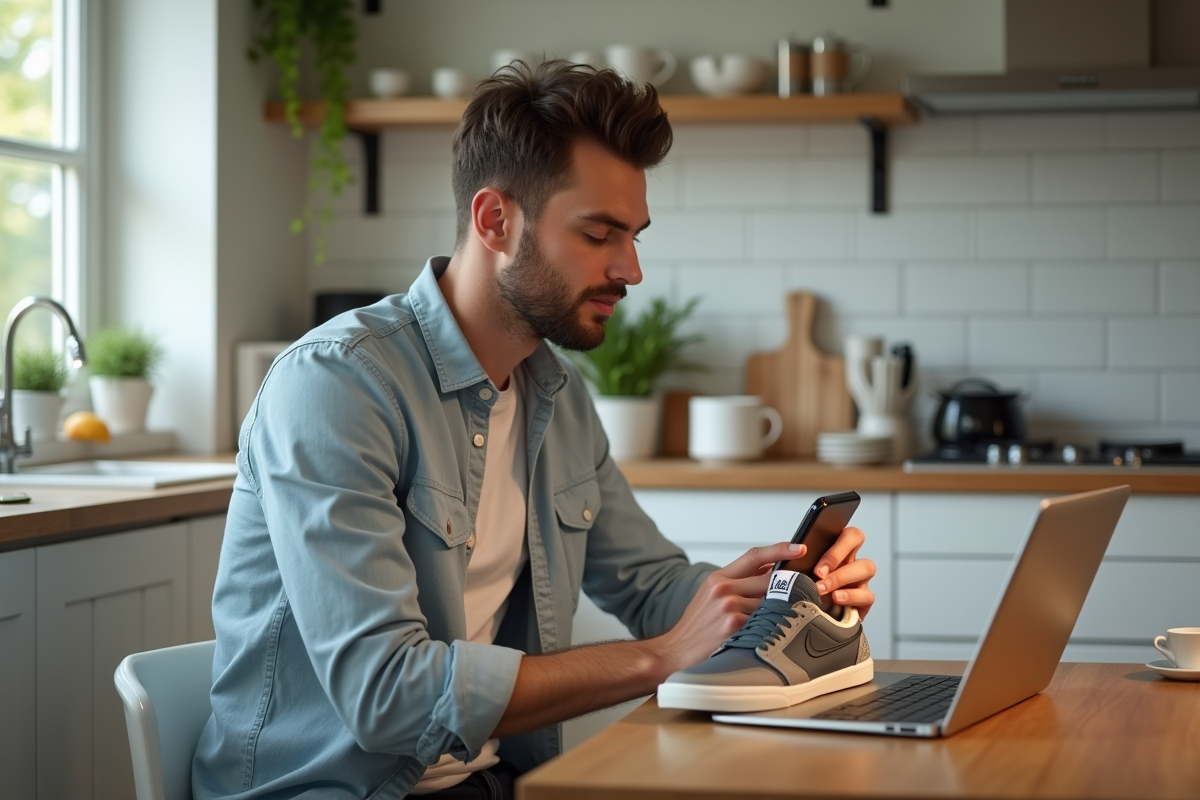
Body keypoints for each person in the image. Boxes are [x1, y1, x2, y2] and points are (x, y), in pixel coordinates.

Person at [193, 60, 876, 800]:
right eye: (599, 234)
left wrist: (769, 595)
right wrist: (659, 657)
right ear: (495, 221)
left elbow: (649, 585)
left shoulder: (558, 397)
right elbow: (385, 693)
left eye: (635, 236)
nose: (631, 269)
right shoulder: (336, 386)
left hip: (492, 782)